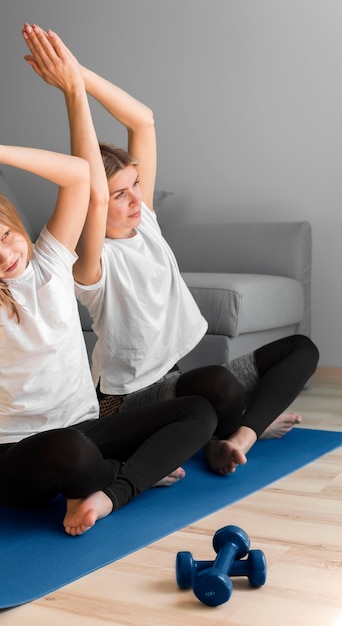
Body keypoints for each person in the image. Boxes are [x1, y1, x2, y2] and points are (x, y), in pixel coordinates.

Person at [21, 24, 320, 477]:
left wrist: (77, 72)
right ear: (95, 202)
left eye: (136, 185)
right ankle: (220, 431)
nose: (136, 199)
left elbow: (142, 120)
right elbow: (90, 190)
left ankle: (240, 436)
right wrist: (70, 94)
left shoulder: (148, 225)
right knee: (218, 385)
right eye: (120, 194)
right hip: (123, 400)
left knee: (300, 350)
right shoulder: (90, 261)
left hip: (176, 380)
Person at [0, 109, 219, 536]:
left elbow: (80, 174)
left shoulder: (52, 261)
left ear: (15, 223)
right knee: (72, 450)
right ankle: (126, 473)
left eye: (5, 235)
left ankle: (108, 492)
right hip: (14, 456)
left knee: (198, 412)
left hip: (85, 429)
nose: (4, 255)